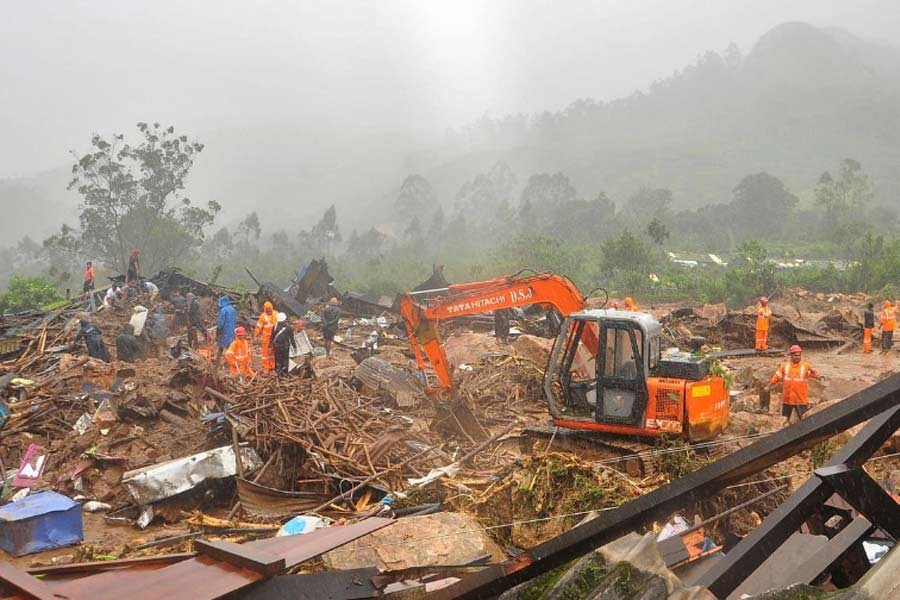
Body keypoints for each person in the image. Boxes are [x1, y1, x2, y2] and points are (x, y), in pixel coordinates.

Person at [768, 345, 819, 427]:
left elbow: (815, 375)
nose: (797, 357)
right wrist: (769, 385)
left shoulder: (805, 366)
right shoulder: (785, 366)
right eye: (795, 355)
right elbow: (777, 376)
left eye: (799, 355)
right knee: (784, 421)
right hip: (787, 399)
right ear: (791, 355)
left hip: (800, 399)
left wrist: (813, 371)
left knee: (804, 420)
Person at [254, 301, 278, 371]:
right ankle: (266, 367)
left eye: (269, 309)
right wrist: (256, 334)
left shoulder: (276, 314)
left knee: (273, 352)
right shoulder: (263, 316)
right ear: (265, 309)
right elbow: (259, 326)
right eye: (267, 309)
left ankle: (273, 365)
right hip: (266, 338)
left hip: (275, 337)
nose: (268, 311)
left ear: (272, 308)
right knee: (265, 353)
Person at [216, 295, 237, 360]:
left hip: (224, 331)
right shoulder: (233, 309)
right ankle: (232, 360)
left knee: (221, 347)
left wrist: (218, 331)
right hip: (232, 331)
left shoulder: (223, 310)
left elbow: (221, 323)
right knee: (230, 347)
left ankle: (218, 361)